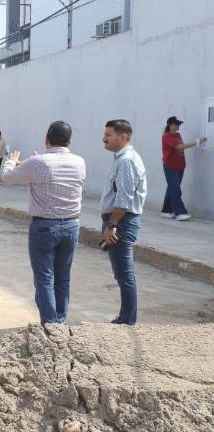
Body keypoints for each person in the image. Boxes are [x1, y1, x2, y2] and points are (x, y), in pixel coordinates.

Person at [1, 121, 86, 325]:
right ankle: (60, 322)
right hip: (72, 227)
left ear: (46, 139)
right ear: (69, 141)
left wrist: (12, 161)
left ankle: (50, 326)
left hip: (45, 227)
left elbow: (7, 177)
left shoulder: (37, 163)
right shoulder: (79, 162)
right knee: (62, 279)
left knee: (44, 279)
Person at [99, 119, 147, 326]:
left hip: (122, 222)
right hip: (119, 221)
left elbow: (124, 199)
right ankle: (126, 318)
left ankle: (127, 321)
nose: (104, 138)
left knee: (125, 275)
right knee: (122, 275)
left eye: (109, 135)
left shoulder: (127, 160)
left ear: (124, 137)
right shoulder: (121, 158)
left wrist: (112, 225)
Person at [161, 116, 207, 221]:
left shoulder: (178, 135)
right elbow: (179, 147)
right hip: (170, 166)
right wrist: (196, 143)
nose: (178, 126)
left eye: (179, 124)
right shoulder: (166, 136)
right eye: (176, 124)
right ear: (170, 125)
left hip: (180, 166)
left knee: (172, 188)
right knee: (175, 189)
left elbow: (181, 146)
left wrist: (199, 141)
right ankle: (180, 212)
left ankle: (166, 211)